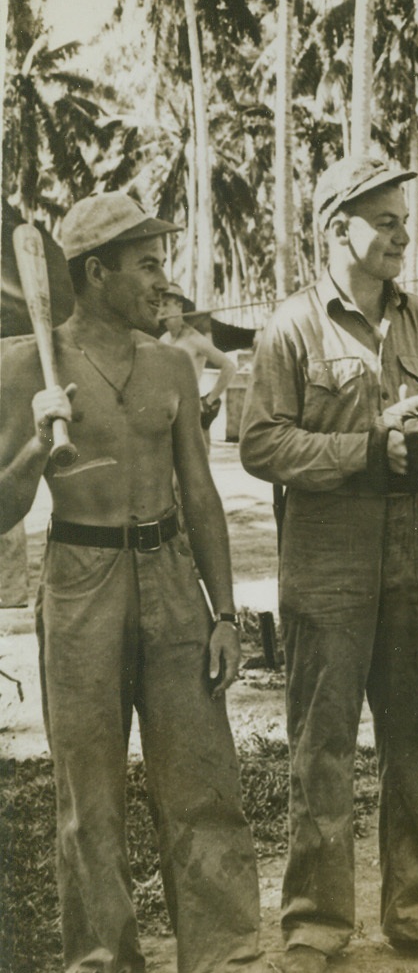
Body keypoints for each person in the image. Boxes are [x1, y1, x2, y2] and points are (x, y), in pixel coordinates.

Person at [0, 192, 264, 972]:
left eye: (162, 261)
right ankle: (103, 961)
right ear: (94, 272)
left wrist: (226, 614)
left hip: (173, 576)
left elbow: (202, 496)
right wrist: (32, 453)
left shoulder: (172, 364)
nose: (163, 280)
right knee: (90, 798)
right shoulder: (25, 366)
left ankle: (224, 958)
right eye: (146, 264)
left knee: (203, 784)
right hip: (80, 580)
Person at [240, 155, 418, 972]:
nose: (401, 235)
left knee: (416, 736)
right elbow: (261, 442)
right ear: (333, 229)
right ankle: (315, 926)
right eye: (383, 220)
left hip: (413, 549)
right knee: (323, 746)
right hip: (328, 553)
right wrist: (365, 449)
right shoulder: (292, 327)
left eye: (404, 220)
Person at [157, 283, 237, 439]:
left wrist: (209, 400)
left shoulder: (194, 339)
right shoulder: (163, 340)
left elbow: (229, 366)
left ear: (179, 306)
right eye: (159, 304)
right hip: (166, 414)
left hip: (190, 413)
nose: (162, 310)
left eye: (166, 304)